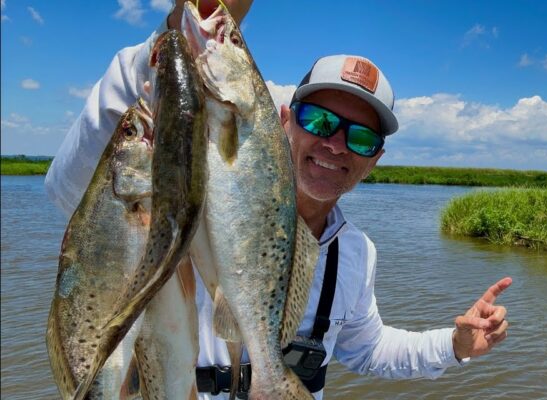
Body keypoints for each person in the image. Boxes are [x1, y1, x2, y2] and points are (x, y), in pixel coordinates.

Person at [44, 1, 512, 398]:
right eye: (320, 121)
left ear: (376, 159)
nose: (335, 145)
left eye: (362, 137)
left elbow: (368, 350)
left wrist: (455, 345)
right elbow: (74, 190)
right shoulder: (193, 198)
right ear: (284, 120)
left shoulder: (354, 253)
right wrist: (169, 40)